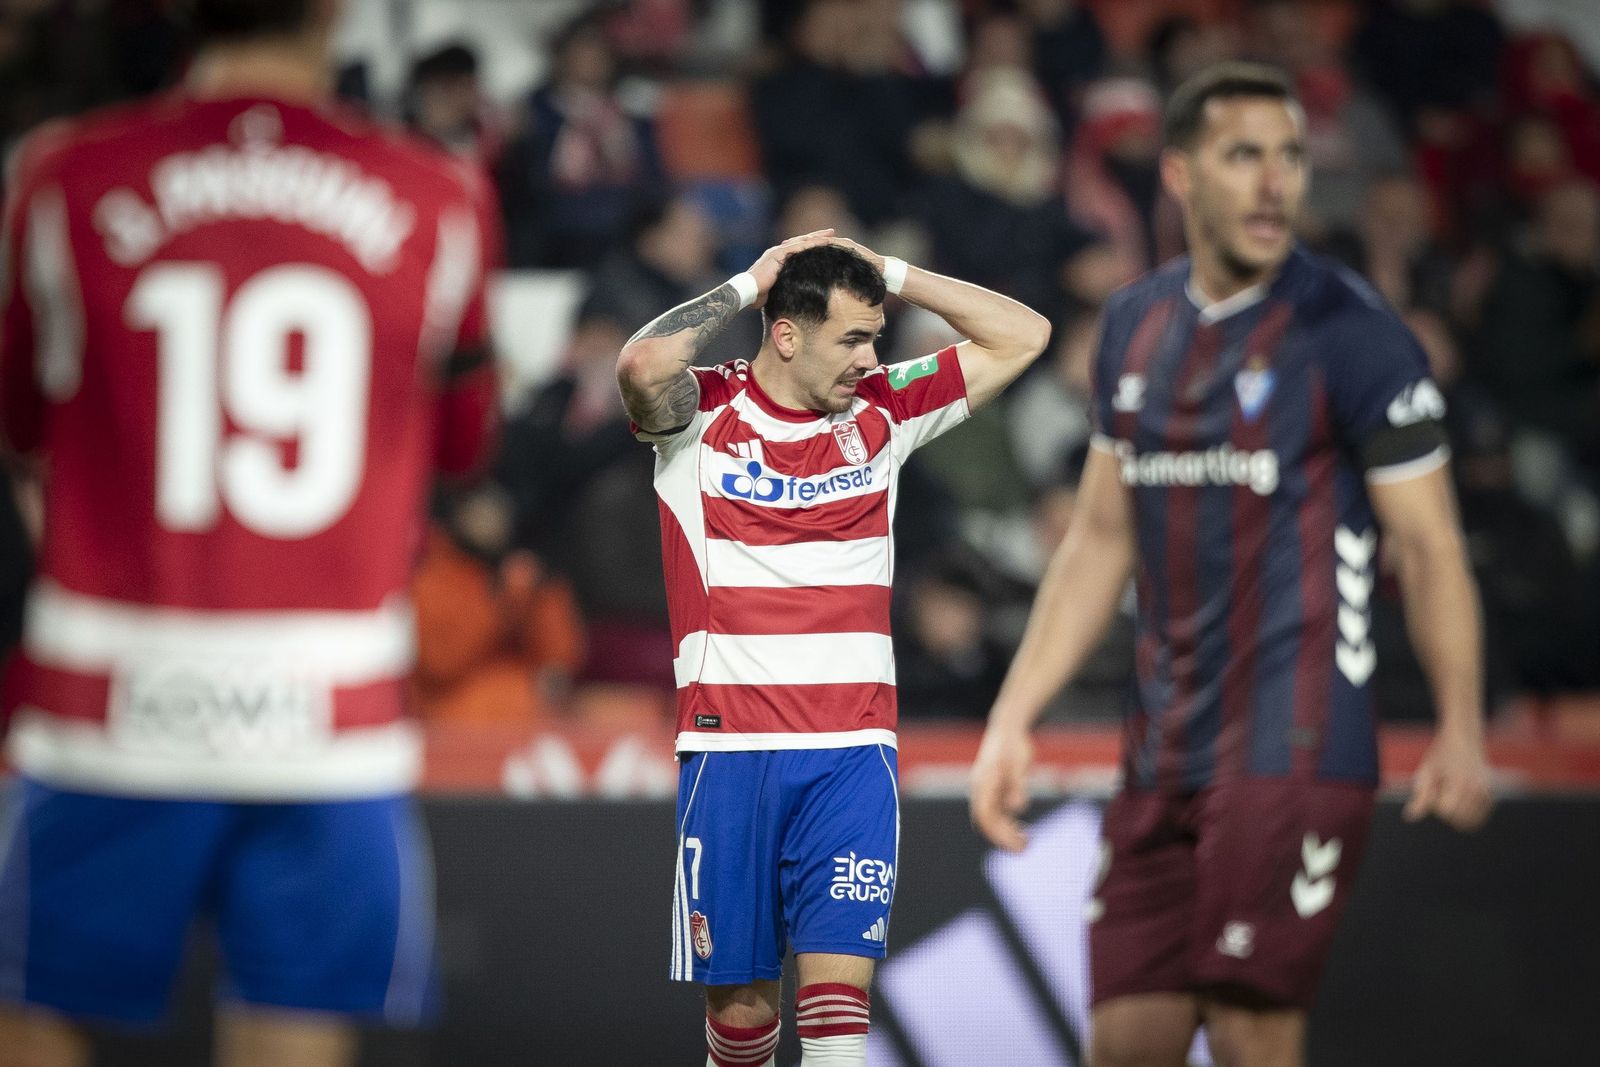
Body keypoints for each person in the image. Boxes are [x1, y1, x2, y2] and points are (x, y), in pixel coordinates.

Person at [0, 1, 500, 1064]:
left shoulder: (61, 175)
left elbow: (21, 423)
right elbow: (463, 444)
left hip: (111, 691)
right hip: (330, 706)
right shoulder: (437, 191)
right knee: (293, 1014)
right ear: (334, 12)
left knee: (28, 996)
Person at [969, 62, 1493, 1067]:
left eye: (1289, 157)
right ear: (1178, 172)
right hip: (1162, 743)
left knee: (1252, 1028)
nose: (1272, 181)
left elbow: (1428, 547)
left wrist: (1461, 724)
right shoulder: (1132, 325)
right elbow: (1097, 537)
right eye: (1242, 154)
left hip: (1293, 739)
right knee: (1126, 1041)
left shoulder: (1354, 334)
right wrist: (1011, 715)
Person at [617, 235, 1049, 1066]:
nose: (870, 357)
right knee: (741, 1027)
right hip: (729, 752)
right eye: (852, 338)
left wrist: (889, 272)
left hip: (851, 755)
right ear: (787, 334)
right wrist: (752, 282)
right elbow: (641, 364)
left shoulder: (886, 409)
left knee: (838, 1018)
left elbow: (1022, 334)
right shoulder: (699, 415)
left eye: (876, 335)